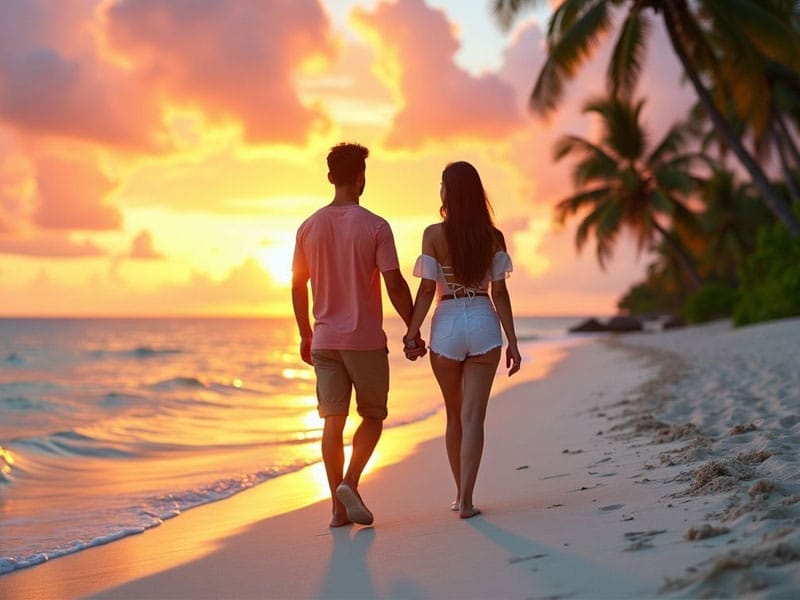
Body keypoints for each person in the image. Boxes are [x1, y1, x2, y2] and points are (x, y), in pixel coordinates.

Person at [291, 142, 426, 528]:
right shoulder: (376, 226)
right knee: (372, 416)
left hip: (324, 341)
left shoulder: (308, 227)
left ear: (331, 177)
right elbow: (395, 283)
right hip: (364, 341)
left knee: (332, 422)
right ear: (361, 178)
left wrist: (304, 334)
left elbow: (298, 287)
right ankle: (349, 483)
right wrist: (412, 329)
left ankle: (336, 510)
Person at [403, 160, 521, 519]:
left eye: (442, 184)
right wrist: (513, 342)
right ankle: (467, 500)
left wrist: (412, 332)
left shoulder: (433, 234)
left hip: (448, 322)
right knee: (473, 419)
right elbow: (499, 294)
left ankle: (458, 496)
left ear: (448, 193)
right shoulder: (493, 237)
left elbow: (426, 290)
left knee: (454, 416)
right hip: (484, 321)